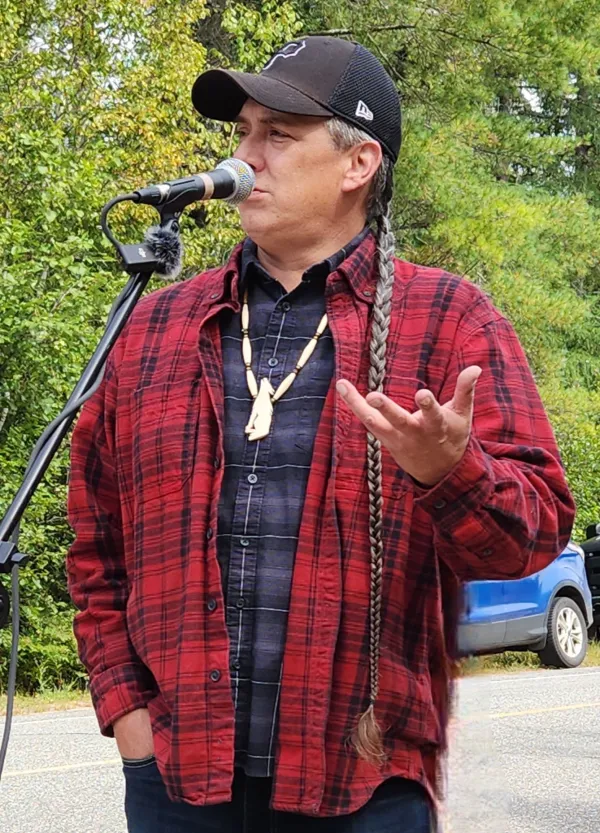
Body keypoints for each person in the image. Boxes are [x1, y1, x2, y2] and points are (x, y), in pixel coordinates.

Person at [66, 35, 575, 833]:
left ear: (358, 163)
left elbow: (534, 536)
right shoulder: (154, 326)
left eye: (278, 134)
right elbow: (95, 544)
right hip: (175, 782)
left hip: (365, 785)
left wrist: (452, 472)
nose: (246, 156)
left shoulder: (449, 320)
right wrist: (126, 709)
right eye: (242, 132)